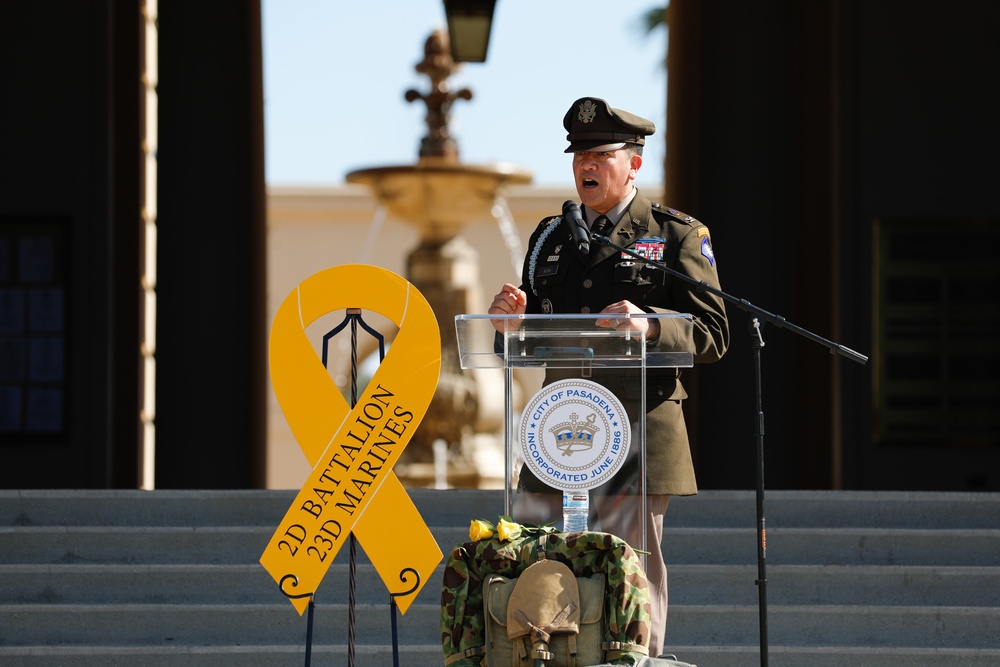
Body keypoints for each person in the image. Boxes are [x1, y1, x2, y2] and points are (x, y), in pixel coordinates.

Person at [487, 96, 730, 657]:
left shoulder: (676, 236)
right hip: (560, 433)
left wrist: (652, 326)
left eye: (599, 154)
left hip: (636, 435)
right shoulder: (550, 237)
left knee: (630, 575)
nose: (585, 166)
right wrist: (509, 325)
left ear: (634, 164)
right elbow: (531, 341)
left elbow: (714, 333)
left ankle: (634, 662)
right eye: (578, 156)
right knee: (540, 564)